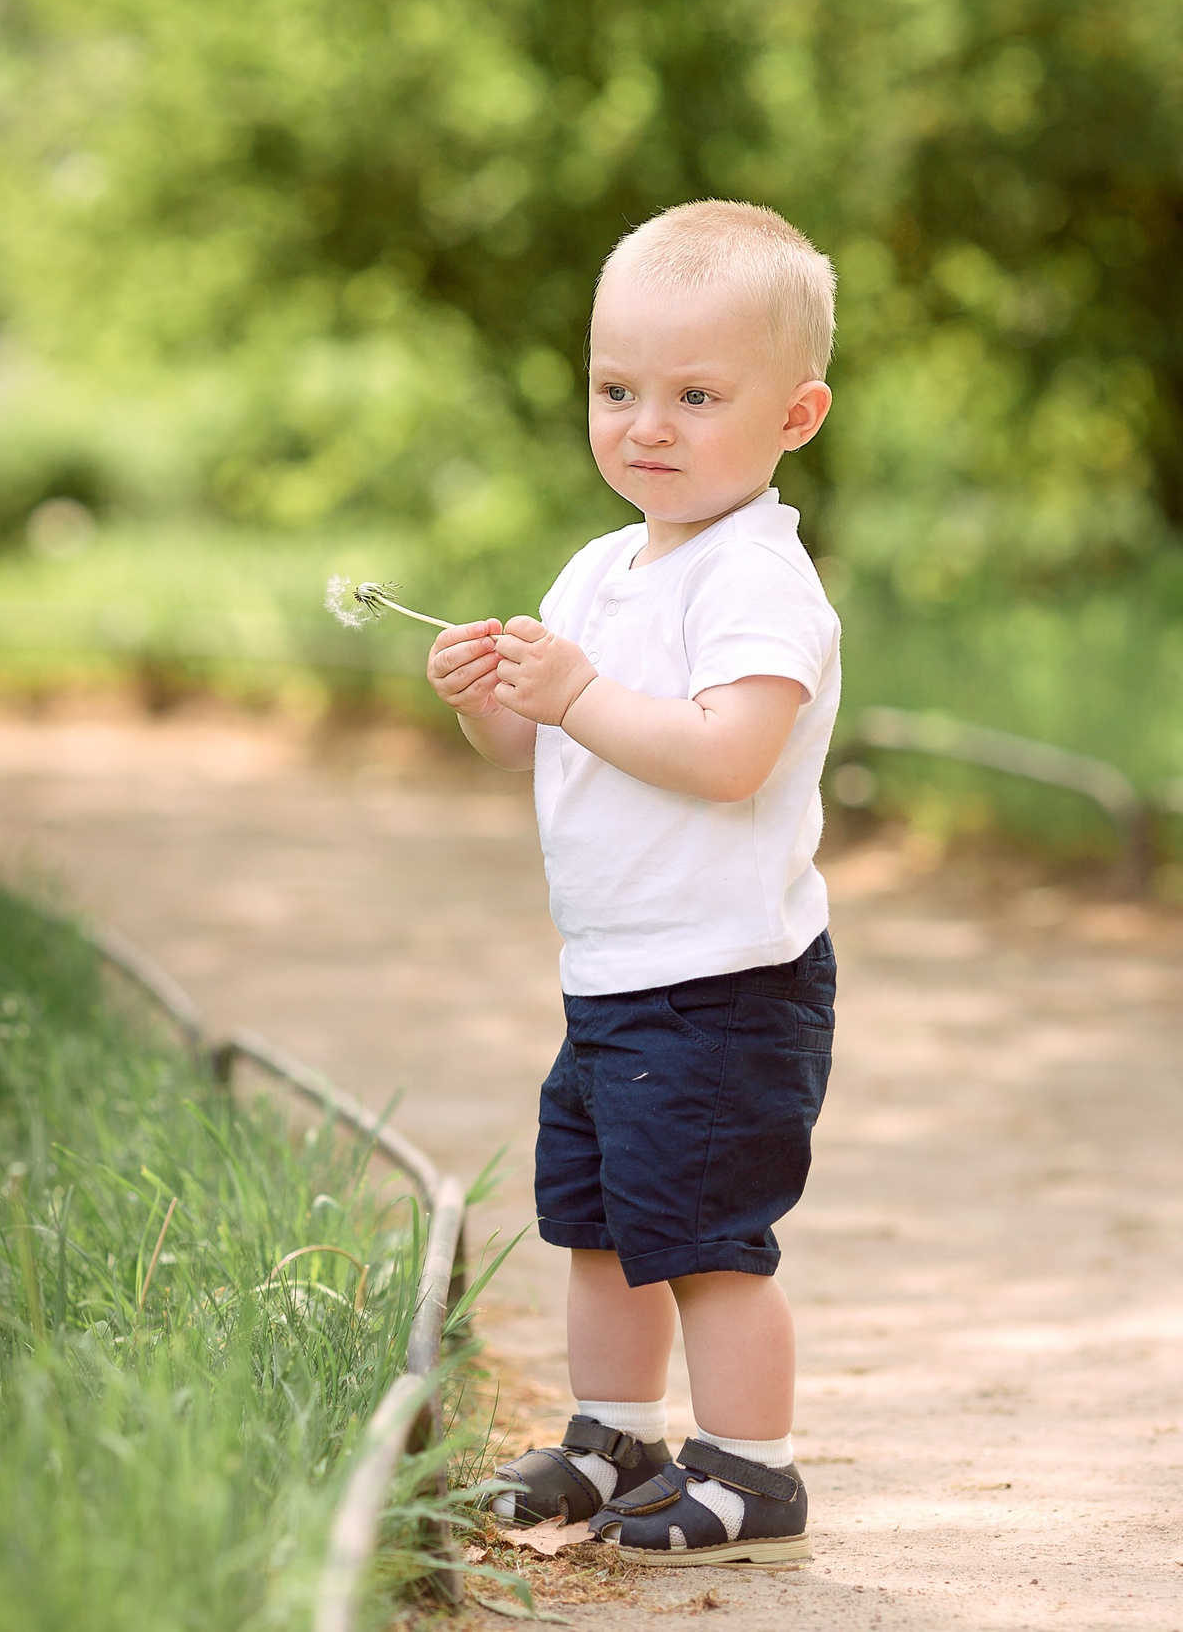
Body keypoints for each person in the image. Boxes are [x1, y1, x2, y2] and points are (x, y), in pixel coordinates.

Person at [423, 200, 840, 1566]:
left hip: (725, 980)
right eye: (616, 389)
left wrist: (584, 687)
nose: (645, 423)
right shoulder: (599, 568)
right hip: (612, 973)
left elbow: (730, 754)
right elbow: (538, 746)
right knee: (601, 1219)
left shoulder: (756, 582)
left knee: (712, 1234)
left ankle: (752, 1468)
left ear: (795, 414)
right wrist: (494, 696)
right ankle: (616, 1428)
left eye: (695, 394)